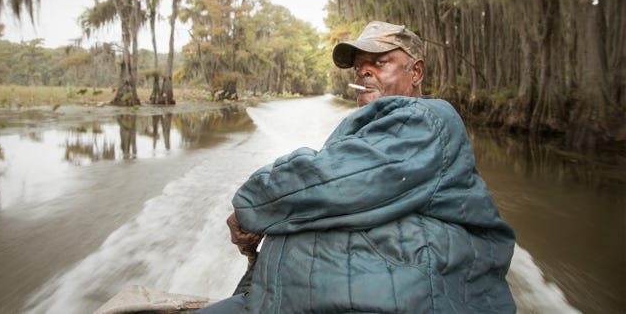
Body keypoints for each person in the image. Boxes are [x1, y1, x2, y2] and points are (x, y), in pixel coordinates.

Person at [198, 21, 516, 313]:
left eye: (378, 63)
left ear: (416, 73)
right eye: (359, 66)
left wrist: (252, 207)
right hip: (278, 298)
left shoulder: (425, 118)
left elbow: (332, 181)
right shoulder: (370, 131)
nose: (363, 72)